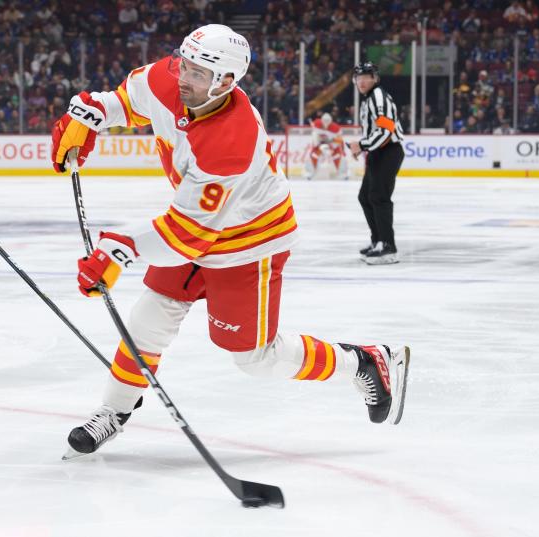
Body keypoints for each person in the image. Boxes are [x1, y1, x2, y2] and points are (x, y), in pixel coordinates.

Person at [50, 24, 411, 457]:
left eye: (198, 74)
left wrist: (120, 248)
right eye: (184, 64)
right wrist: (91, 114)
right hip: (193, 227)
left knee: (256, 358)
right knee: (147, 320)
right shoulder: (167, 78)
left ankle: (365, 362)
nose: (183, 77)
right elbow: (127, 102)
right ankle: (114, 410)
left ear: (226, 82)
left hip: (249, 241)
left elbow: (186, 235)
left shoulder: (232, 137)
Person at [348, 62, 405, 265]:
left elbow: (386, 131)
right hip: (379, 152)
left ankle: (388, 247)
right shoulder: (370, 98)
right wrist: (364, 147)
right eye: (358, 78)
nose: (362, 81)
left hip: (388, 151)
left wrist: (361, 145)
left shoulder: (378, 97)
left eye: (366, 77)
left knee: (379, 197)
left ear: (375, 78)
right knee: (366, 197)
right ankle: (378, 241)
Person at [303, 112, 348, 180]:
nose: (326, 123)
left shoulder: (336, 128)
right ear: (321, 120)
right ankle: (309, 173)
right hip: (319, 143)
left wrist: (333, 145)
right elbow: (314, 134)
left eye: (328, 121)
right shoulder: (317, 123)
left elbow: (340, 140)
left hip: (331, 143)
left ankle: (344, 174)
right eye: (324, 121)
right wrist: (316, 144)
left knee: (338, 156)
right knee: (313, 155)